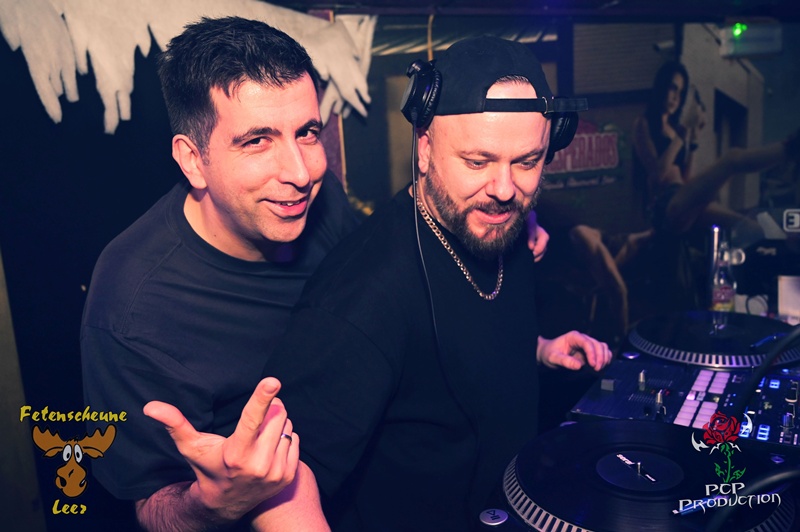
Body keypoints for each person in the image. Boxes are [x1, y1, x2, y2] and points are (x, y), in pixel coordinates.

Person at [265, 35, 613, 532]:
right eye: (478, 162)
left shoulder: (501, 227)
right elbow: (279, 491)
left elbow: (454, 340)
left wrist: (536, 350)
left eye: (526, 162)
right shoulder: (360, 298)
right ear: (425, 148)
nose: (504, 189)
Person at [80, 17, 357, 531]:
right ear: (193, 160)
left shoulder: (317, 202)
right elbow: (151, 507)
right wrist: (217, 503)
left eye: (307, 133)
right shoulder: (131, 308)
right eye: (257, 141)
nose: (300, 173)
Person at [632, 61, 796, 241]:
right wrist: (684, 129)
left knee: (744, 224)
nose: (676, 98)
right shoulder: (643, 123)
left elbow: (686, 177)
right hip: (665, 205)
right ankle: (791, 147)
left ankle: (788, 241)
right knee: (731, 159)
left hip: (683, 196)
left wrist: (694, 138)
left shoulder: (674, 130)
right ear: (661, 86)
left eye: (681, 92)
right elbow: (657, 175)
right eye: (673, 88)